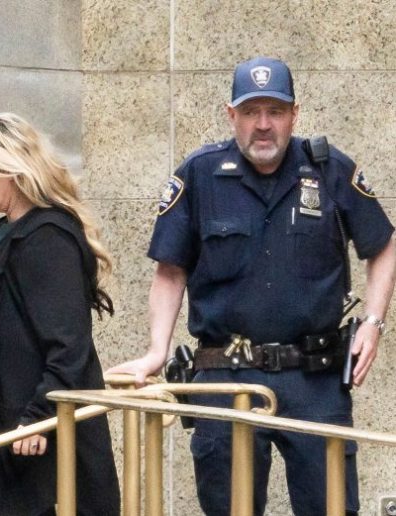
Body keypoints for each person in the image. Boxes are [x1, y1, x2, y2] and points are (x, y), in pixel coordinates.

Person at [109, 56, 396, 516]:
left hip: (315, 379)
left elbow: (383, 246)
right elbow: (170, 271)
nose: (263, 125)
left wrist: (374, 324)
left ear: (294, 114)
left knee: (332, 509)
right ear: (231, 115)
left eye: (275, 111)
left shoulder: (329, 169)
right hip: (226, 377)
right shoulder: (199, 174)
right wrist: (155, 351)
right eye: (250, 112)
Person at [0, 113, 120, 516]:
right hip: (10, 422)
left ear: (10, 168)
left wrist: (40, 415)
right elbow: (21, 324)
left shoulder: (47, 237)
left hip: (36, 435)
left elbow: (69, 343)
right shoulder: (8, 231)